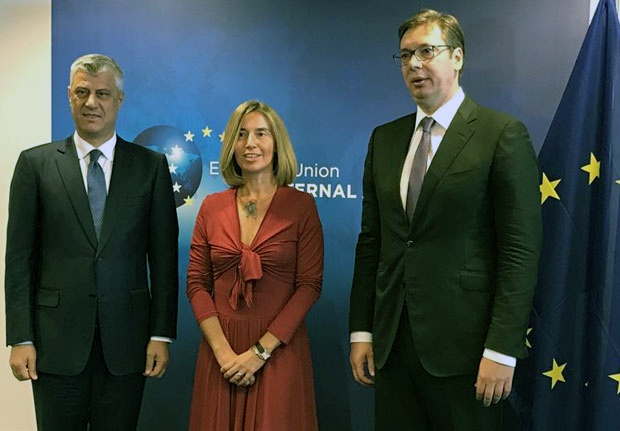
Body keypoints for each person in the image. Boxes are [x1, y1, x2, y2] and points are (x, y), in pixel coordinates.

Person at [348, 9, 542, 431]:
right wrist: (362, 331)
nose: (414, 64)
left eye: (426, 51)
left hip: (468, 355)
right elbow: (372, 242)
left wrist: (502, 349)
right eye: (405, 55)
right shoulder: (384, 139)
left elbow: (520, 250)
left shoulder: (501, 134)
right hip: (392, 347)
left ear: (457, 57)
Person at [4, 53, 179, 430]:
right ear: (69, 95)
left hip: (128, 346)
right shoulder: (35, 165)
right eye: (82, 92)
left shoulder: (150, 167)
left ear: (119, 100)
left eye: (102, 93)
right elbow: (18, 260)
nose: (91, 103)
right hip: (53, 346)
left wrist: (160, 333)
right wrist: (20, 337)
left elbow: (164, 260)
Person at [186, 100, 323, 430]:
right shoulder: (211, 207)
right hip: (221, 355)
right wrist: (224, 354)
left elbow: (309, 286)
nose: (250, 143)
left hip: (277, 353)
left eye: (261, 133)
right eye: (241, 134)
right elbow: (197, 283)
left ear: (277, 143)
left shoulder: (301, 206)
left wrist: (259, 353)